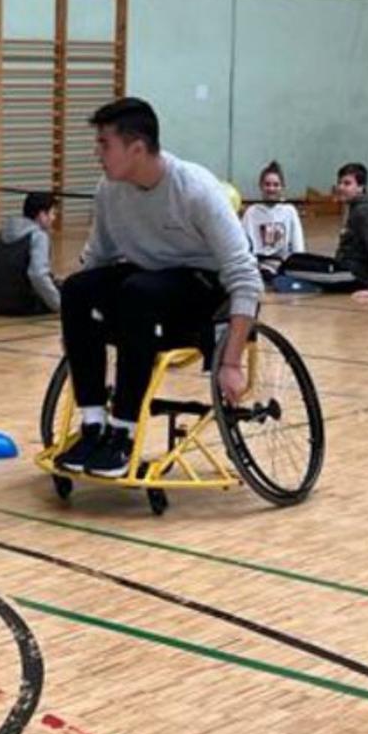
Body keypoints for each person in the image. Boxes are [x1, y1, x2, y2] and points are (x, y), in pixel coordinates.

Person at [56, 97, 261, 479]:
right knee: (78, 288)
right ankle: (94, 424)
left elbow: (245, 275)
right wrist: (76, 323)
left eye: (104, 144)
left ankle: (124, 432)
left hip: (205, 290)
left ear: (136, 148)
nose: (96, 153)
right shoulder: (109, 190)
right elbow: (98, 257)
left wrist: (231, 361)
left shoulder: (195, 189)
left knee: (138, 290)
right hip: (147, 285)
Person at [282, 163, 368, 303]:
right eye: (340, 183)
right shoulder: (354, 207)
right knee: (294, 259)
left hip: (355, 276)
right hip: (344, 267)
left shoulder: (365, 211)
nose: (341, 187)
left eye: (347, 183)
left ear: (361, 187)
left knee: (289, 268)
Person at [0, 192, 61, 316]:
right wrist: (58, 304)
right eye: (52, 213)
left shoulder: (0, 234)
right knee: (66, 288)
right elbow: (37, 275)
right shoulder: (38, 236)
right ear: (42, 215)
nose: (54, 218)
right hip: (25, 305)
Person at [241, 160, 305, 280]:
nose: (271, 189)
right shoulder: (251, 212)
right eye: (267, 184)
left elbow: (298, 245)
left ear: (282, 187)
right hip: (257, 267)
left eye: (276, 185)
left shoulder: (289, 211)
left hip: (282, 266)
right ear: (261, 186)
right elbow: (243, 246)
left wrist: (298, 266)